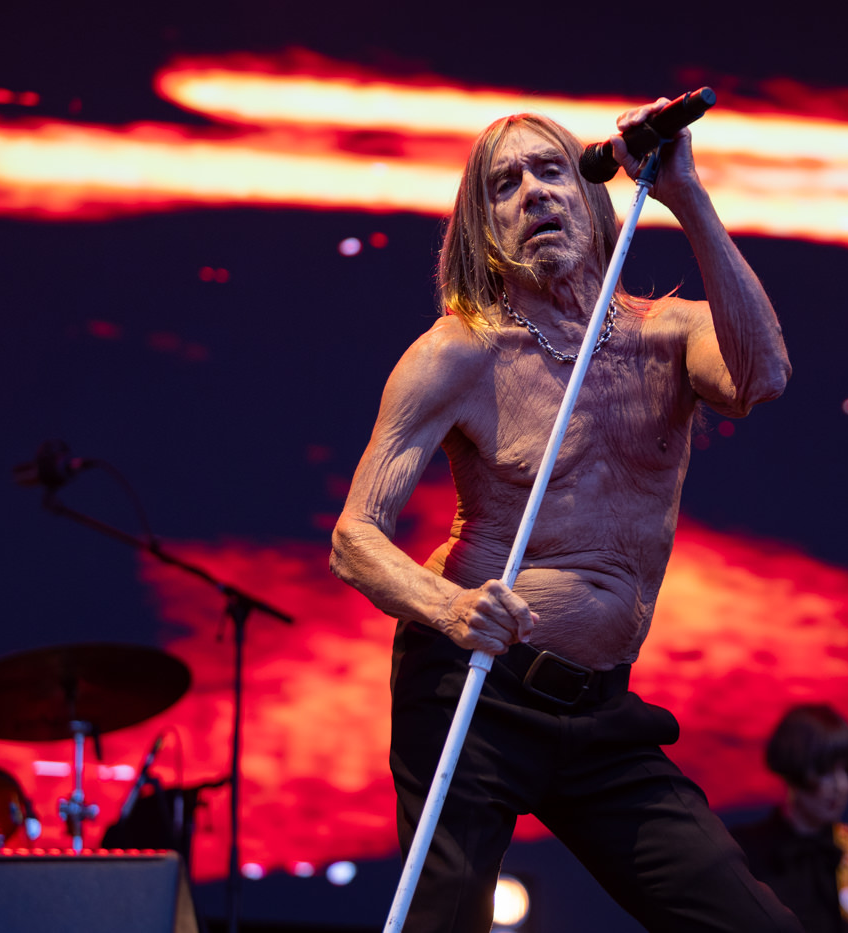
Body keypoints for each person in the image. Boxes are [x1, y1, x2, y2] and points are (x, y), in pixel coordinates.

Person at [330, 98, 796, 933]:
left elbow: (761, 377)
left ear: (596, 200)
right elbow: (353, 537)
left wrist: (684, 189)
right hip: (474, 689)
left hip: (597, 710)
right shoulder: (459, 351)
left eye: (553, 171)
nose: (535, 194)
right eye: (504, 185)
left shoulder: (669, 334)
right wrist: (453, 608)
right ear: (483, 232)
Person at [731, 705, 848, 933]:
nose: (841, 786)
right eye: (825, 771)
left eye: (847, 771)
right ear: (792, 767)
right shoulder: (743, 852)